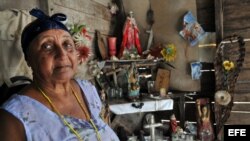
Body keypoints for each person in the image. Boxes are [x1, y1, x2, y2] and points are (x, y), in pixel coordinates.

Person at [0, 8, 120, 141]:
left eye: (67, 44)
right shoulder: (13, 119)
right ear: (29, 59)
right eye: (47, 46)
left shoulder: (88, 89)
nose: (62, 54)